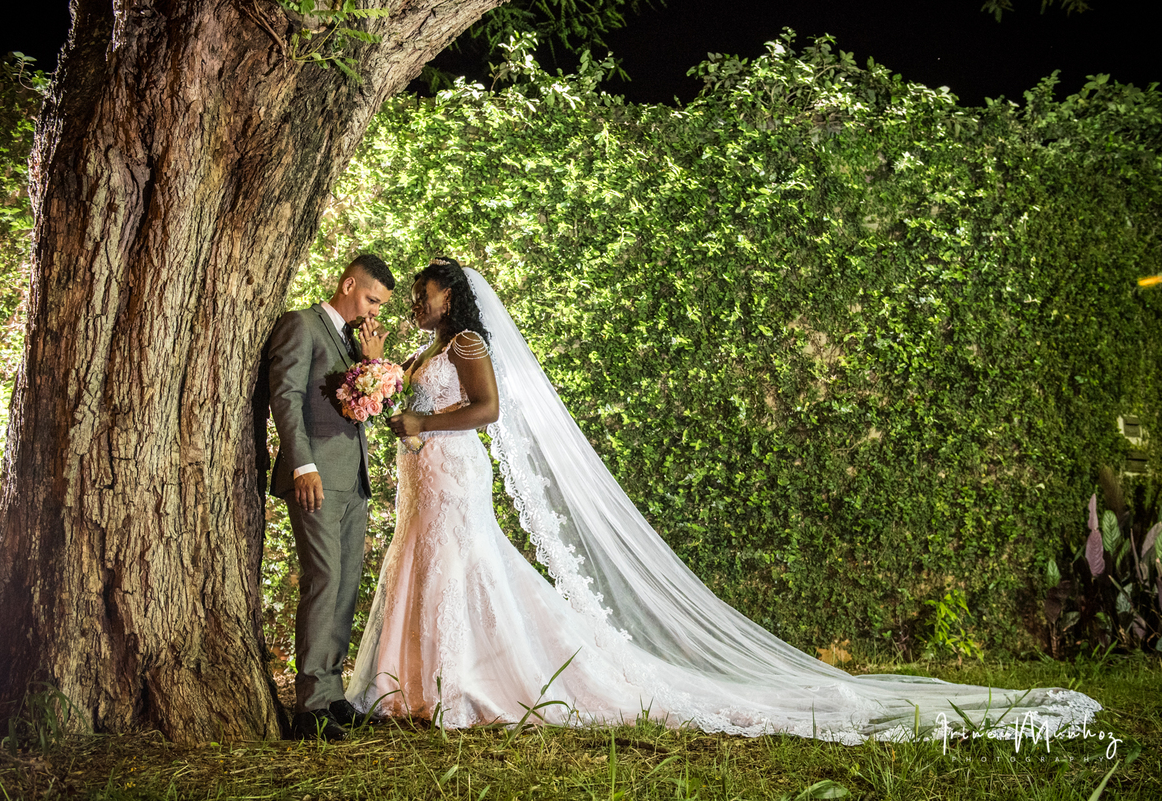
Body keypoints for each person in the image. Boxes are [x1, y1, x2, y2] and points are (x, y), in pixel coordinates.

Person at [345, 257, 1101, 742]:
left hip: (453, 472)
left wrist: (420, 419)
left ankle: (459, 682)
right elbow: (401, 396)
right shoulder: (423, 352)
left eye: (427, 288)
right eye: (413, 290)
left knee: (467, 565)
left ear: (456, 296)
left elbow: (488, 412)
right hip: (425, 477)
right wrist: (382, 379)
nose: (417, 296)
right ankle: (414, 683)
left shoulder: (470, 348)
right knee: (427, 563)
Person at [268, 253, 394, 740]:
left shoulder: (351, 340)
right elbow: (287, 397)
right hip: (316, 476)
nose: (372, 313)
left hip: (353, 479)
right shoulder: (302, 324)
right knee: (323, 581)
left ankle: (332, 695)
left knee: (344, 587)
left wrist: (372, 366)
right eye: (369, 299)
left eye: (379, 305)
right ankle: (309, 709)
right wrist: (303, 465)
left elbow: (362, 408)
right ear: (347, 284)